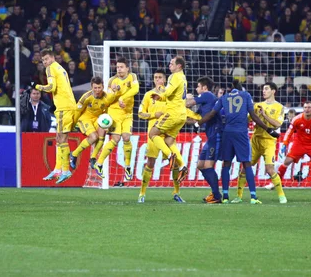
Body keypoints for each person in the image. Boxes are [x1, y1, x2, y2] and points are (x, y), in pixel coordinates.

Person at [199, 81, 278, 204]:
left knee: (226, 164)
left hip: (227, 133)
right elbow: (253, 116)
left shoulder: (224, 97)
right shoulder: (245, 95)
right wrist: (268, 129)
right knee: (246, 164)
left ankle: (225, 196)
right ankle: (253, 197)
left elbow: (212, 114)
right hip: (241, 133)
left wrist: (198, 122)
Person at [141, 56, 189, 203]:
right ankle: (182, 164)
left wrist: (161, 96)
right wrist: (154, 113)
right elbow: (140, 113)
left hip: (171, 116)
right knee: (168, 142)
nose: (157, 80)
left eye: (172, 63)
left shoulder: (174, 78)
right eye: (155, 77)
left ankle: (171, 158)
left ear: (179, 66)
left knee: (152, 133)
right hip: (180, 116)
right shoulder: (149, 94)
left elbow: (167, 94)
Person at [235, 83, 287, 204]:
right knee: (245, 168)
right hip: (255, 140)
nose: (264, 91)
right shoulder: (257, 105)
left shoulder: (279, 107)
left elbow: (277, 124)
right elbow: (247, 118)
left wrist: (265, 115)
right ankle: (239, 196)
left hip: (269, 141)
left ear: (273, 91)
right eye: (263, 89)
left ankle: (281, 195)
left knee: (270, 169)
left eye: (266, 89)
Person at [36, 48, 77, 184]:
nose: (45, 62)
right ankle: (58, 169)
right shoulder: (60, 68)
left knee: (61, 138)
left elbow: (51, 87)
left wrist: (38, 86)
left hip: (64, 107)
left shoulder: (50, 69)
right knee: (59, 138)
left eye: (46, 59)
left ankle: (64, 170)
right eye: (43, 60)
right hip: (68, 105)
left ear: (52, 58)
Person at [94, 57, 139, 180]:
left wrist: (122, 98)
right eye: (117, 67)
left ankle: (128, 167)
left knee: (126, 137)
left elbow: (136, 89)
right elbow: (107, 99)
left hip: (128, 113)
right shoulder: (112, 81)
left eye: (121, 67)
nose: (119, 69)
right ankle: (99, 164)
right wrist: (114, 92)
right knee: (116, 138)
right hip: (115, 113)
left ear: (127, 68)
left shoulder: (132, 76)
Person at [186, 76, 221, 204]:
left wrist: (179, 100)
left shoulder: (208, 95)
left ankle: (217, 196)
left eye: (198, 86)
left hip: (216, 135)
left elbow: (188, 103)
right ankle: (215, 193)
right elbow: (194, 120)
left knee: (208, 165)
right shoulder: (205, 104)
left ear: (204, 88)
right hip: (210, 137)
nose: (196, 89)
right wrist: (180, 118)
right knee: (201, 165)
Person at [70, 77, 114, 170]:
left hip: (98, 119)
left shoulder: (107, 98)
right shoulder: (86, 97)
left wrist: (108, 125)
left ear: (103, 87)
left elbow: (110, 111)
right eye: (95, 88)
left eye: (99, 87)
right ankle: (74, 154)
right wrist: (73, 124)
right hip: (85, 119)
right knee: (94, 137)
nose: (97, 90)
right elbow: (77, 111)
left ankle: (93, 158)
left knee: (102, 133)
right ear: (91, 87)